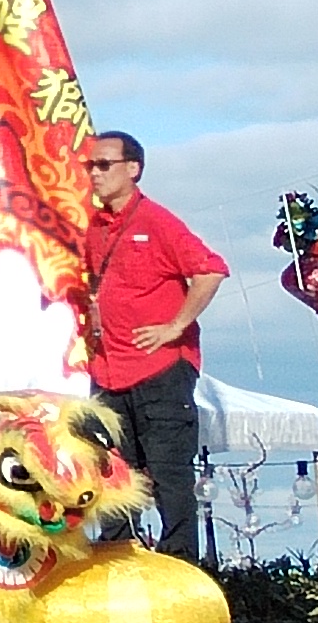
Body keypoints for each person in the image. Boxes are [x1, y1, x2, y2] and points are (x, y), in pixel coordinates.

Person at [78, 130, 225, 560]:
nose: (95, 174)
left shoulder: (156, 221)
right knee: (110, 471)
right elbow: (93, 284)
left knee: (169, 473)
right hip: (108, 371)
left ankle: (179, 560)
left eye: (104, 165)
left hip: (159, 370)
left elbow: (211, 270)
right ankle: (118, 555)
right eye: (91, 166)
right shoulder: (95, 227)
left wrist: (176, 325)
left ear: (133, 169)